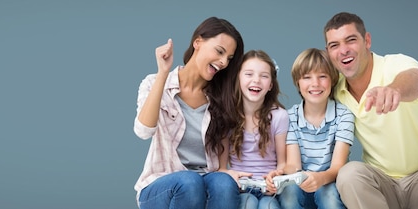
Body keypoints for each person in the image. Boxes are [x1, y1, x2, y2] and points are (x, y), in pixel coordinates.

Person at [323, 12, 418, 209]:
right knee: (349, 173)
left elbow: (416, 79)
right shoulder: (336, 91)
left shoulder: (395, 64)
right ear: (328, 52)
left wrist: (395, 90)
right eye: (335, 45)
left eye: (351, 40)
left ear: (367, 41)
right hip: (383, 187)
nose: (343, 51)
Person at [133, 16, 245, 209]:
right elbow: (144, 131)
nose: (223, 62)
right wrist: (162, 73)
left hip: (205, 179)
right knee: (189, 182)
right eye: (219, 51)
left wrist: (224, 171)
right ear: (198, 42)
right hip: (161, 184)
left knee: (224, 183)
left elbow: (224, 144)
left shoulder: (221, 96)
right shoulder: (154, 83)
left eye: (229, 58)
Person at [270, 48, 354, 209]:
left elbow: (338, 167)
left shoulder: (344, 115)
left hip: (329, 181)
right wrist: (281, 173)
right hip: (300, 182)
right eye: (307, 77)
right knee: (289, 195)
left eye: (322, 76)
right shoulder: (291, 117)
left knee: (328, 196)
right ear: (298, 82)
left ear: (333, 80)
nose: (315, 84)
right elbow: (294, 165)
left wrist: (320, 179)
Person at [217, 50, 288, 209]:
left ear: (270, 84)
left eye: (264, 76)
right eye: (249, 74)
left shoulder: (279, 116)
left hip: (269, 189)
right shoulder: (227, 116)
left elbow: (283, 164)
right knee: (247, 205)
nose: (256, 80)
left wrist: (275, 178)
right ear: (238, 79)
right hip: (241, 189)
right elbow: (221, 167)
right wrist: (231, 176)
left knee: (268, 207)